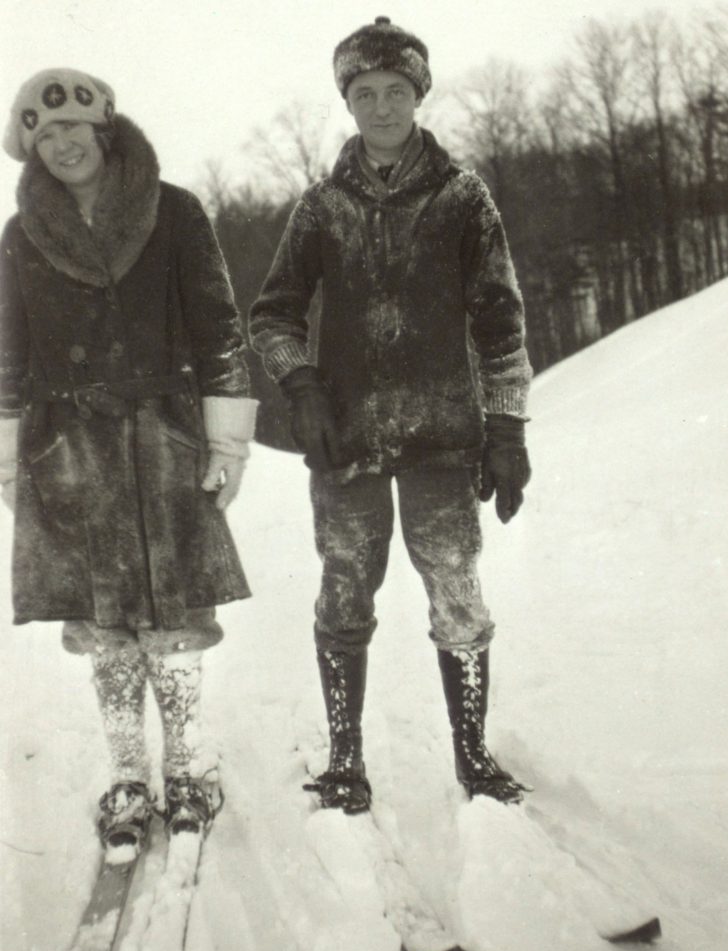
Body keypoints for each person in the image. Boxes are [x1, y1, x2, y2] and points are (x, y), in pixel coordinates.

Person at [249, 17, 533, 815]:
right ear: (348, 101)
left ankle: (473, 756)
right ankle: (344, 758)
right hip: (346, 440)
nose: (380, 106)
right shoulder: (320, 207)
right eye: (364, 93)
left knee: (455, 589)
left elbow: (501, 322)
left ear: (418, 95)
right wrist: (300, 385)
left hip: (443, 437)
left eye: (395, 91)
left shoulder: (461, 198)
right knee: (345, 590)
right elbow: (270, 314)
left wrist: (506, 427)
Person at [0, 69, 258, 851]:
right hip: (68, 447)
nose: (63, 142)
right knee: (102, 624)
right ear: (31, 149)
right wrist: (11, 462)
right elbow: (7, 353)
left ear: (104, 131)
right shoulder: (19, 238)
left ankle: (186, 772)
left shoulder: (174, 210)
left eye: (74, 127)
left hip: (165, 435)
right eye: (45, 134)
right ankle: (127, 777)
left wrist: (226, 442)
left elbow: (218, 328)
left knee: (177, 616)